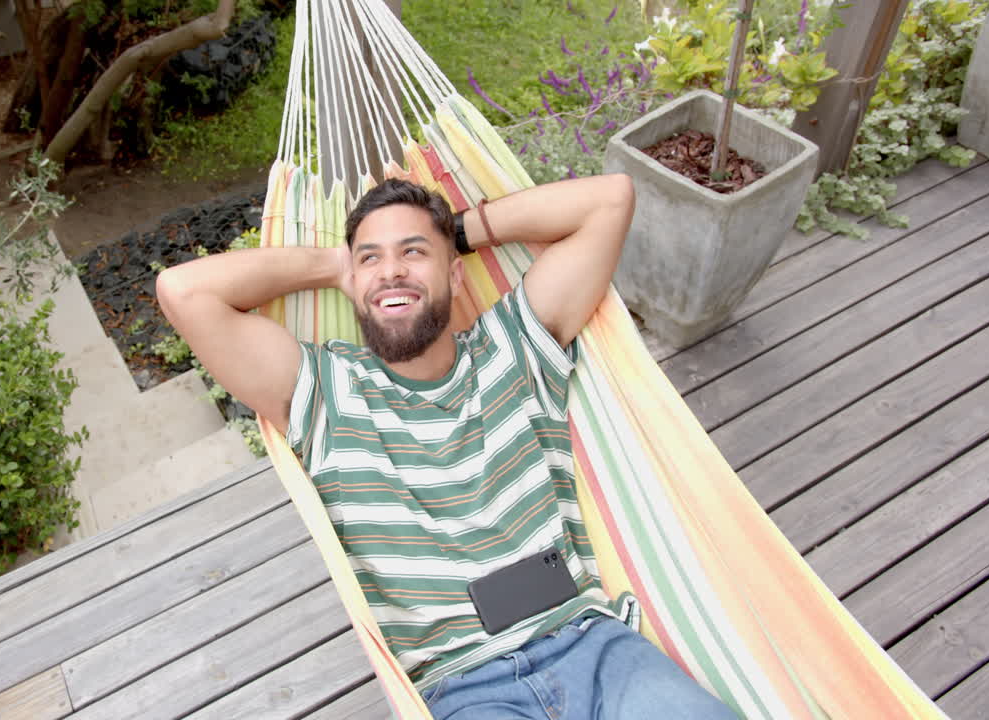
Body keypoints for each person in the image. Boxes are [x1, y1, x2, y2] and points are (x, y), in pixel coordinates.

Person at [156, 176, 736, 720]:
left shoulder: (515, 345)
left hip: (596, 647)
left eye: (414, 253)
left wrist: (455, 232)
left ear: (456, 276)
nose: (391, 272)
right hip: (463, 689)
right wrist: (337, 264)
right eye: (371, 258)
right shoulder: (324, 392)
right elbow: (183, 290)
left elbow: (611, 198)